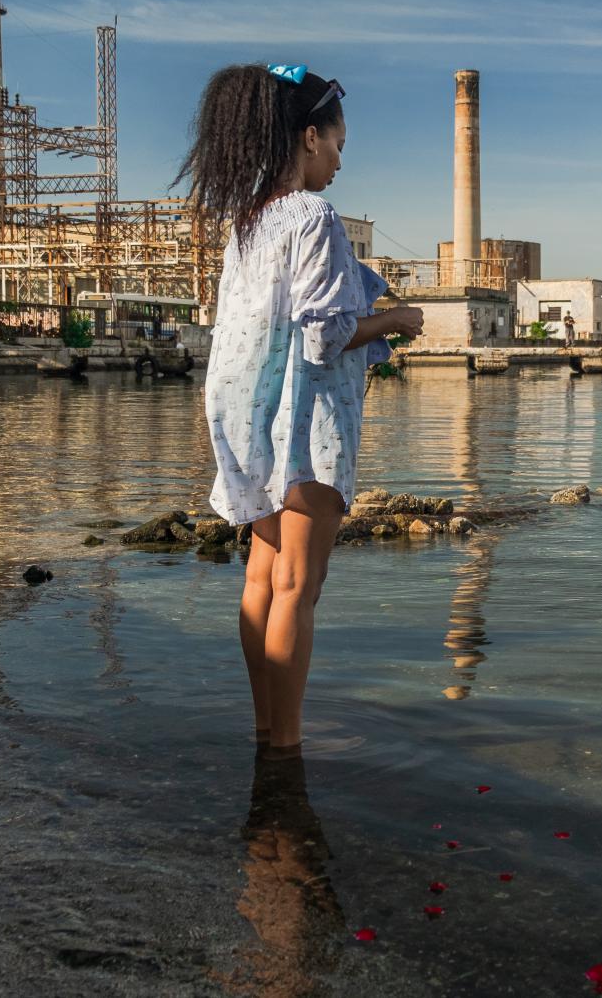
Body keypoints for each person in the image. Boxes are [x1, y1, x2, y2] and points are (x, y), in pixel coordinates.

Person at [182, 62, 424, 758]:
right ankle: (286, 749)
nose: (341, 163)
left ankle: (266, 728)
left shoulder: (248, 220)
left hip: (246, 417)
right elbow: (324, 333)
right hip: (304, 422)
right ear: (311, 136)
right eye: (340, 147)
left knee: (262, 578)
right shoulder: (315, 218)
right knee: (298, 587)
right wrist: (395, 320)